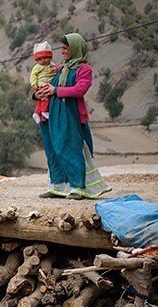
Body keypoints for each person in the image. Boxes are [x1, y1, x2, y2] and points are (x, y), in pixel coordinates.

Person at [35, 33, 111, 200]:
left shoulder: (84, 69)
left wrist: (56, 91)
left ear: (75, 49)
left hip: (71, 114)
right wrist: (38, 93)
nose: (62, 52)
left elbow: (80, 89)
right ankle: (58, 186)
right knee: (52, 149)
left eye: (65, 48)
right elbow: (49, 86)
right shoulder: (60, 68)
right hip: (53, 114)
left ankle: (78, 187)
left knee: (70, 147)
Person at [30, 41, 56, 124]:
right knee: (45, 97)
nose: (43, 60)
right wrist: (34, 84)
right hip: (43, 84)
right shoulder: (37, 67)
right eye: (40, 59)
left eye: (45, 58)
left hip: (50, 84)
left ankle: (36, 112)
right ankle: (44, 111)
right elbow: (33, 76)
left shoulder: (52, 65)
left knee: (41, 99)